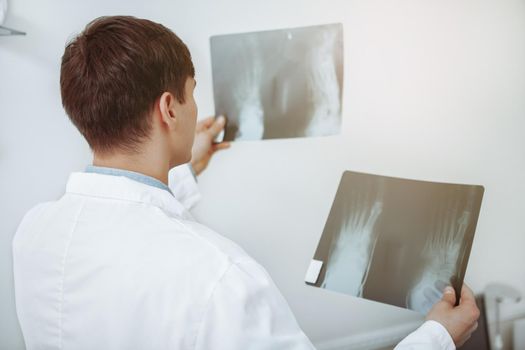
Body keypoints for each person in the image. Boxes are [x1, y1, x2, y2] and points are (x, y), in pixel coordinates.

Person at [12, 16, 479, 350]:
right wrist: (439, 335)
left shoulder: (34, 233)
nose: (197, 110)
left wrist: (187, 167)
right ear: (169, 108)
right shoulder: (220, 275)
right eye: (194, 95)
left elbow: (130, 228)